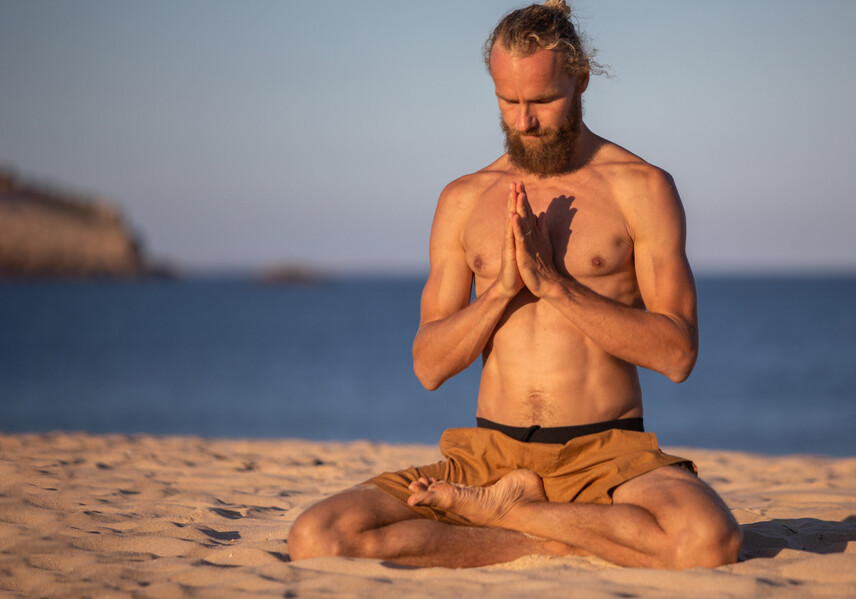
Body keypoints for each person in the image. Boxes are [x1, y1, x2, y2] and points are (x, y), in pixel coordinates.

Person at [287, 0, 741, 569]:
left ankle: (509, 514)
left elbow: (677, 354)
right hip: (487, 458)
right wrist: (502, 291)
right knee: (318, 537)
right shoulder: (463, 199)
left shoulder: (641, 189)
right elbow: (428, 366)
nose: (524, 120)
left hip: (606, 455)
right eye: (509, 101)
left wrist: (555, 286)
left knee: (708, 541)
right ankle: (550, 533)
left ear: (580, 80)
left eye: (543, 101)